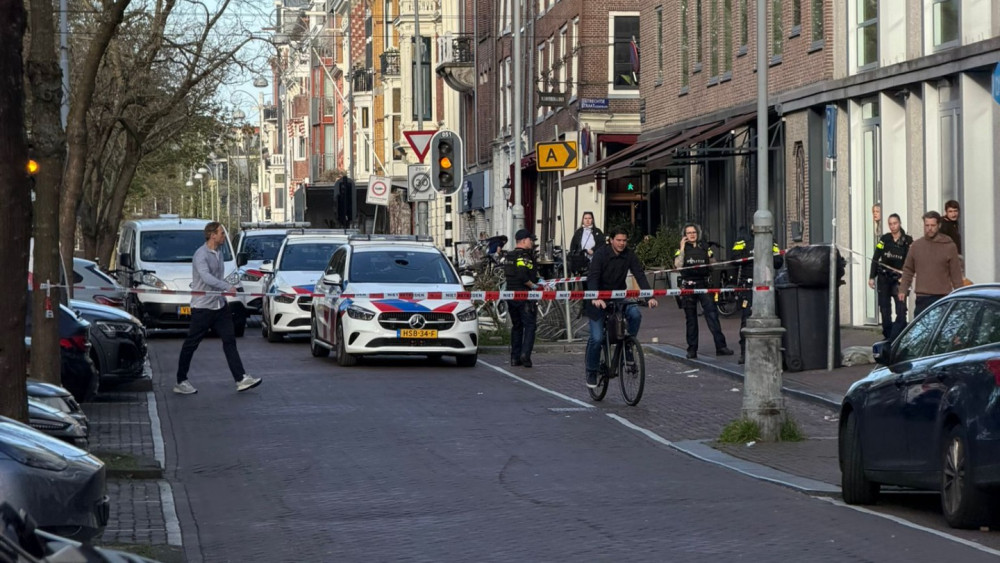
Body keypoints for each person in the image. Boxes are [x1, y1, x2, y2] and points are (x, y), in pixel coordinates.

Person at [174, 222, 262, 395]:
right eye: (222, 233)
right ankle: (180, 380)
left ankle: (240, 378)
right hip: (203, 307)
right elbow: (206, 277)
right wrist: (226, 287)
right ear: (212, 235)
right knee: (191, 343)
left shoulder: (219, 253)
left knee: (229, 340)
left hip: (219, 306)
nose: (224, 236)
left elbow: (217, 276)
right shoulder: (201, 255)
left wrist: (223, 291)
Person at [584, 228, 659, 388]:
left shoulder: (629, 255)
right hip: (598, 297)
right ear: (611, 240)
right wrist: (595, 296)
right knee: (596, 339)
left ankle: (628, 345)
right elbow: (593, 277)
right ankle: (592, 371)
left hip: (618, 295)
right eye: (618, 240)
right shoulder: (600, 254)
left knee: (635, 314)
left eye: (624, 240)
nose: (622, 243)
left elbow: (639, 274)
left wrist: (649, 296)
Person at [674, 223, 734, 359]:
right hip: (689, 286)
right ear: (685, 235)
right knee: (691, 319)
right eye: (688, 233)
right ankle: (692, 350)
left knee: (712, 315)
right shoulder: (681, 250)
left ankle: (721, 347)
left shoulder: (704, 247)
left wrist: (709, 253)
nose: (692, 235)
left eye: (693, 232)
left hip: (703, 284)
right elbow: (678, 265)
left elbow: (713, 263)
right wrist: (682, 248)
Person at [730, 229, 783, 364]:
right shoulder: (743, 241)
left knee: (770, 317)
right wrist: (750, 257)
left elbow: (778, 262)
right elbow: (734, 259)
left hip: (766, 284)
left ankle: (768, 351)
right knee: (746, 318)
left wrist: (769, 256)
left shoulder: (772, 241)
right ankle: (744, 352)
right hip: (748, 284)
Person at [898, 211, 964, 317]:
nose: (930, 228)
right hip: (922, 298)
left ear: (939, 225)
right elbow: (908, 269)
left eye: (933, 225)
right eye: (927, 225)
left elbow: (956, 274)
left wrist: (960, 294)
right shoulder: (916, 246)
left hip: (942, 298)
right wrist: (903, 289)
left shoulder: (948, 246)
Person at [868, 213, 912, 341]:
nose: (893, 226)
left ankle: (900, 335)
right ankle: (888, 336)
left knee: (901, 308)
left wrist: (906, 277)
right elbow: (876, 257)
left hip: (899, 279)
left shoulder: (908, 240)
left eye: (895, 223)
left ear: (900, 223)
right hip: (884, 278)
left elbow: (911, 261)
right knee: (884, 308)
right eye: (890, 224)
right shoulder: (884, 239)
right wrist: (872, 276)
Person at [505, 229, 541, 368]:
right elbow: (522, 275)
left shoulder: (509, 256)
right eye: (531, 240)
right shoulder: (523, 256)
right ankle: (525, 355)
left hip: (510, 295)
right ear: (524, 240)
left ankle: (515, 357)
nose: (532, 242)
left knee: (517, 326)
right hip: (524, 296)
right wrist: (534, 286)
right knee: (530, 325)